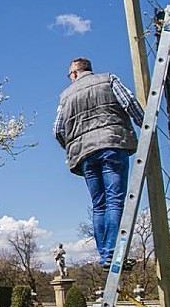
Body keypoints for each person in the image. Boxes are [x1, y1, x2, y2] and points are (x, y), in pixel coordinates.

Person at [54, 57, 144, 269]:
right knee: (114, 200)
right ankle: (113, 253)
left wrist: (72, 146)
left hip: (85, 155)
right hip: (112, 143)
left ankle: (105, 254)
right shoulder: (108, 80)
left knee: (99, 205)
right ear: (89, 71)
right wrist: (145, 125)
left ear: (74, 74)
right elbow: (129, 102)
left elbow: (57, 130)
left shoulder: (65, 97)